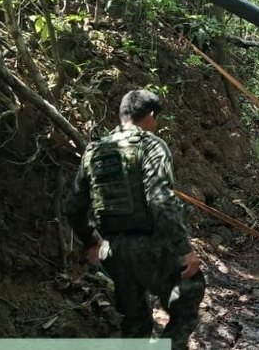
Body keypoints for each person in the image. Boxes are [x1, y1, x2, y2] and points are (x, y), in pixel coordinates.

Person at [66, 89, 205, 350]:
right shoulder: (151, 145)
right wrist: (185, 251)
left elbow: (73, 206)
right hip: (150, 248)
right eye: (157, 118)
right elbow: (160, 201)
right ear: (151, 115)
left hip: (113, 252)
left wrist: (91, 242)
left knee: (135, 320)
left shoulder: (93, 151)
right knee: (190, 294)